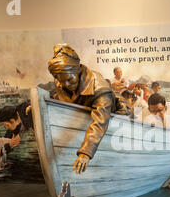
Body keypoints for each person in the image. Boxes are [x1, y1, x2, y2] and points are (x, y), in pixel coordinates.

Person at [48, 43, 122, 174]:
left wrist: (86, 152)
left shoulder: (100, 89)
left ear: (77, 70)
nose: (65, 85)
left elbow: (99, 122)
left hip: (115, 111)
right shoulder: (63, 80)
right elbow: (57, 96)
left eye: (70, 80)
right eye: (61, 80)